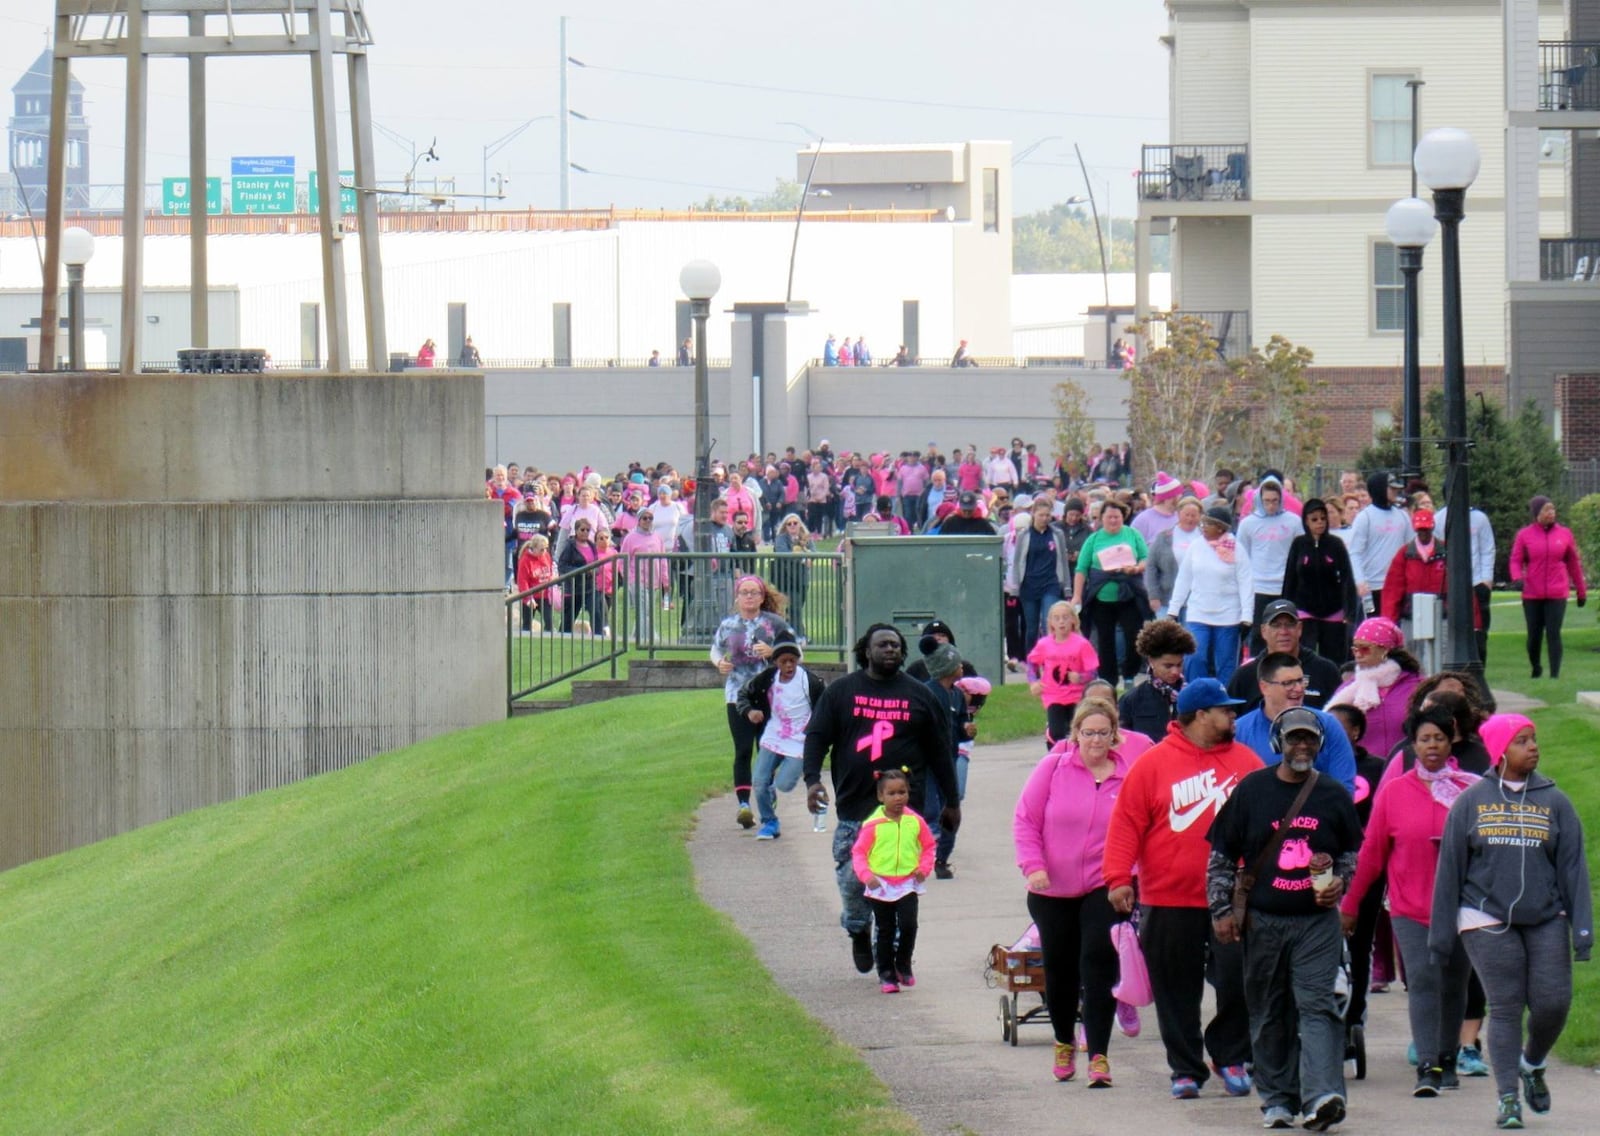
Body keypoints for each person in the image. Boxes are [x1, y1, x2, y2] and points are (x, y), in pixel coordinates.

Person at [1430, 713, 1593, 1131]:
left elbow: (1573, 868)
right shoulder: (1471, 802)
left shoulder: (1555, 801)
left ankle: (1533, 1062)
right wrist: (1441, 934)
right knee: (1505, 1006)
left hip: (1545, 915)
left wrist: (1582, 929)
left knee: (1553, 1002)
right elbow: (1450, 869)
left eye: (1534, 739)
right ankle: (1508, 1099)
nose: (1533, 747)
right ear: (1501, 751)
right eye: (1522, 741)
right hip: (1484, 915)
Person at [1102, 677, 1262, 1100]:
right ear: (1199, 715)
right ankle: (1185, 1067)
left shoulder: (1247, 762)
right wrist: (1118, 878)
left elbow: (1268, 825)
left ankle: (1229, 1053)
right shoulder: (1153, 764)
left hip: (1232, 900)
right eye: (1225, 710)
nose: (1233, 716)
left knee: (1240, 978)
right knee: (1176, 988)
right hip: (1168, 897)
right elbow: (1125, 825)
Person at [1206, 708, 1363, 1131]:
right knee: (1270, 1009)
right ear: (1279, 744)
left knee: (1318, 1006)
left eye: (1309, 740)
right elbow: (1221, 857)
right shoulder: (1252, 791)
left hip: (1316, 924)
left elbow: (1350, 853)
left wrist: (1340, 884)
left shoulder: (1332, 795)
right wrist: (1222, 910)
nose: (1302, 746)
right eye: (1294, 739)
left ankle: (1322, 1096)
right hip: (1263, 920)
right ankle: (1277, 1099)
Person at [803, 625, 961, 973]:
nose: (889, 649)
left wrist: (952, 801)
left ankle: (888, 961)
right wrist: (812, 781)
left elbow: (940, 753)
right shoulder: (842, 691)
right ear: (866, 651)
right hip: (855, 810)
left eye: (895, 645)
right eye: (882, 644)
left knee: (896, 889)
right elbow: (816, 737)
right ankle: (859, 929)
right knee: (852, 881)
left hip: (903, 815)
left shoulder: (920, 696)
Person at [1340, 703, 1479, 1097]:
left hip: (1462, 907)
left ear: (1451, 739)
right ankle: (1428, 1063)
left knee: (1454, 984)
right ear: (1412, 746)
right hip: (1409, 906)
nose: (1431, 746)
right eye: (1423, 740)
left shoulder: (1472, 790)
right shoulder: (1395, 792)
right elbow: (1371, 853)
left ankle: (1449, 1055)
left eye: (1438, 738)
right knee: (1422, 980)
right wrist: (1350, 904)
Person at [1013, 698, 1131, 1086]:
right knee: (1061, 970)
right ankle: (1064, 1041)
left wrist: (1127, 877)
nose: (1095, 740)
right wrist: (1035, 867)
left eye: (1103, 732)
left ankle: (1099, 1055)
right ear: (1075, 734)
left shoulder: (1127, 776)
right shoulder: (1054, 768)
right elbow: (1026, 820)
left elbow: (1138, 831)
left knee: (1099, 965)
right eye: (1088, 732)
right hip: (1052, 888)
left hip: (1103, 886)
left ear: (1114, 734)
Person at [710, 576, 794, 828]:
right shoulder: (728, 625)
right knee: (743, 749)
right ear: (737, 597)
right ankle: (744, 805)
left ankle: (767, 794)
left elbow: (796, 650)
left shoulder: (774, 624)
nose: (749, 597)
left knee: (767, 750)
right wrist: (719, 663)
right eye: (744, 592)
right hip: (737, 695)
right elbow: (715, 649)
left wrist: (773, 653)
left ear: (761, 596)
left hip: (770, 695)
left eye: (754, 592)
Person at [851, 769, 935, 993]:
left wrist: (923, 868)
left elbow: (928, 847)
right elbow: (859, 853)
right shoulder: (872, 825)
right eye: (891, 793)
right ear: (881, 797)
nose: (898, 798)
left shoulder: (915, 822)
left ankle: (903, 964)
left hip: (908, 882)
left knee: (909, 924)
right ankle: (886, 973)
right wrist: (867, 876)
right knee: (885, 929)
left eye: (902, 792)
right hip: (881, 885)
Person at [737, 634, 826, 840]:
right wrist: (750, 711)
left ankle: (772, 791)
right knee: (759, 781)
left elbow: (825, 708)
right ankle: (769, 821)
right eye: (783, 661)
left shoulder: (809, 682)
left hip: (798, 741)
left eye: (792, 661)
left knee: (785, 784)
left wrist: (818, 737)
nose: (788, 666)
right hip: (773, 736)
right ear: (775, 662)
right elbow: (743, 694)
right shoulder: (767, 678)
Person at [1233, 653, 1357, 793]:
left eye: (1300, 681)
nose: (1298, 689)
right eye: (1288, 683)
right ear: (1264, 687)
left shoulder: (1328, 726)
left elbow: (1344, 790)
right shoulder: (1240, 732)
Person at [1168, 505, 1253, 685]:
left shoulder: (1236, 548)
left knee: (1225, 663)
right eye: (1203, 523)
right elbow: (1184, 578)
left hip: (1228, 615)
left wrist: (1247, 616)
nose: (1203, 527)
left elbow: (1246, 583)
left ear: (1220, 528)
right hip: (1198, 612)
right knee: (1195, 657)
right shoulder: (1196, 546)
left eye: (1208, 524)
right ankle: (1197, 694)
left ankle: (1224, 701)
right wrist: (1173, 609)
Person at [1072, 499, 1151, 688]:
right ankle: (1109, 680)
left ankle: (1130, 674)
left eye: (1117, 517)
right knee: (1105, 640)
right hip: (1102, 597)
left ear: (1123, 517)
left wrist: (1136, 568)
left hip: (1129, 594)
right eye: (1109, 517)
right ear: (1102, 519)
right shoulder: (1094, 539)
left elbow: (1145, 558)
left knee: (1134, 635)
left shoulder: (1132, 534)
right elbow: (1081, 569)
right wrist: (1076, 595)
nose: (1113, 521)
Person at [1510, 495, 1587, 679]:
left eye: (1552, 509)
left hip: (1557, 592)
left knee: (1554, 633)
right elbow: (1515, 560)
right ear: (1536, 513)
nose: (1551, 513)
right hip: (1532, 594)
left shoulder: (1564, 534)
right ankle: (1536, 666)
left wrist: (1581, 590)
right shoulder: (1524, 535)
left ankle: (1555, 675)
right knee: (1534, 637)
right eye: (1546, 510)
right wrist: (1517, 577)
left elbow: (1574, 563)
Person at [1325, 616, 1424, 757]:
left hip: (1406, 766)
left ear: (1385, 650)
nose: (1358, 655)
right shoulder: (1348, 689)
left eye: (1365, 649)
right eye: (1355, 649)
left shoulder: (1417, 686)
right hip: (1362, 771)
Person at [1228, 599, 1345, 714]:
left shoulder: (1326, 671)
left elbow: (1341, 718)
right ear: (1263, 631)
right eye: (1276, 625)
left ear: (1299, 629)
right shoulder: (1245, 676)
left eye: (1290, 625)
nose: (1283, 631)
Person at [1281, 497, 1361, 664]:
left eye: (1323, 518)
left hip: (1333, 611)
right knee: (1304, 656)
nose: (1320, 523)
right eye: (1314, 519)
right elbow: (1290, 579)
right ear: (1306, 521)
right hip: (1304, 610)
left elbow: (1347, 578)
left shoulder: (1336, 544)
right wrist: (1286, 611)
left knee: (1334, 659)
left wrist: (1349, 611)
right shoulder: (1299, 544)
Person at [1236, 475, 1302, 648]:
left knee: (1287, 633)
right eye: (1267, 501)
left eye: (1275, 500)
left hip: (1285, 586)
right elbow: (1241, 557)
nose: (1271, 505)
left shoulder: (1293, 522)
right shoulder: (1248, 524)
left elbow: (1300, 553)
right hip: (1258, 587)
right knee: (1259, 634)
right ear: (1260, 499)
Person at [1027, 600, 1099, 747]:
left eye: (1065, 617)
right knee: (1057, 733)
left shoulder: (1082, 644)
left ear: (1073, 620)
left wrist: (1081, 677)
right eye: (1057, 618)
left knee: (1077, 732)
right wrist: (1034, 682)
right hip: (1053, 695)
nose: (1061, 622)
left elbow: (1093, 672)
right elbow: (1032, 664)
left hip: (1077, 696)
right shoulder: (1044, 644)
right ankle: (1055, 754)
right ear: (1050, 622)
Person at [1006, 499, 1073, 653]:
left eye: (1047, 515)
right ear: (1033, 514)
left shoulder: (1057, 534)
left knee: (1048, 623)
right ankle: (1032, 659)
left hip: (1050, 584)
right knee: (1031, 627)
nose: (1044, 518)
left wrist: (1067, 587)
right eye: (1041, 515)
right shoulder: (1025, 535)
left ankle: (1050, 658)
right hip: (1029, 586)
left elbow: (1062, 560)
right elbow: (1018, 562)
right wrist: (1015, 588)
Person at [1434, 500, 1496, 664]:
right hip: (1451, 586)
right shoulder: (1439, 519)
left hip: (1477, 584)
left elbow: (1487, 549)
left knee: (1479, 632)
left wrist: (1486, 579)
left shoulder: (1479, 518)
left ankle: (1479, 666)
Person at [1345, 473, 1411, 618]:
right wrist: (1360, 581)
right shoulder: (1365, 517)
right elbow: (1355, 552)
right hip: (1371, 587)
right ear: (1379, 489)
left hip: (1396, 585)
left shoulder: (1403, 517)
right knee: (1372, 628)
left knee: (1393, 628)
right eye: (1391, 488)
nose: (1395, 492)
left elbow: (1410, 549)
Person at [1118, 618, 1195, 741]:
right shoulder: (1132, 700)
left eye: (1179, 665)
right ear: (1151, 661)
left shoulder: (1193, 696)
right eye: (1168, 666)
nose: (1175, 671)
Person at [1145, 496, 1206, 620]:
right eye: (1186, 515)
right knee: (1166, 637)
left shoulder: (1205, 538)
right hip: (1166, 599)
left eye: (1194, 515)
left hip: (1195, 601)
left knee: (1190, 638)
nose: (1189, 519)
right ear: (1178, 514)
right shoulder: (1164, 537)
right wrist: (1153, 595)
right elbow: (1151, 567)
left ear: (1200, 516)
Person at [772, 514, 814, 641]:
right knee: (794, 607)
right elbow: (783, 553)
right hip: (786, 580)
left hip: (801, 580)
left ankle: (790, 634)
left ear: (800, 524)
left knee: (797, 608)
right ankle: (799, 637)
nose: (792, 526)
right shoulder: (781, 538)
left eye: (795, 523)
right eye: (789, 524)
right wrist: (803, 558)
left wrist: (806, 554)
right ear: (785, 526)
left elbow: (814, 554)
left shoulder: (806, 538)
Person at [556, 518, 599, 633]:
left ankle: (599, 637)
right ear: (576, 530)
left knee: (596, 611)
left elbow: (597, 562)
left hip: (590, 586)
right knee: (568, 619)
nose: (585, 532)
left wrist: (595, 570)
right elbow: (562, 566)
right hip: (574, 588)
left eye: (588, 530)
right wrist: (582, 571)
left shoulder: (591, 545)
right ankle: (562, 638)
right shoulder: (570, 546)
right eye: (582, 530)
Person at [514, 534, 555, 632]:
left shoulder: (546, 556)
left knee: (549, 622)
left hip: (544, 596)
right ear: (534, 548)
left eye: (546, 548)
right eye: (541, 549)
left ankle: (548, 642)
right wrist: (528, 598)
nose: (544, 551)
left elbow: (550, 570)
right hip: (531, 597)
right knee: (527, 625)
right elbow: (522, 581)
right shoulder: (525, 560)